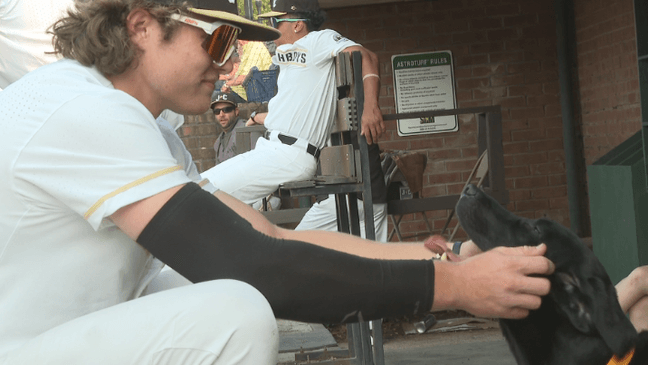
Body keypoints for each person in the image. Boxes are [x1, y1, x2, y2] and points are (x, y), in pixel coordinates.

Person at [0, 1, 556, 363]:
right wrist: (456, 291)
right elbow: (256, 266)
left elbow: (274, 240)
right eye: (216, 43)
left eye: (235, 50)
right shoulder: (81, 106)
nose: (227, 66)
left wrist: (444, 258)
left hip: (59, 338)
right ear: (142, 26)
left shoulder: (149, 129)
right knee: (233, 314)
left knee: (208, 284)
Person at [200, 0, 387, 205]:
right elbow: (293, 110)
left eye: (276, 21)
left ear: (297, 25)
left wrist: (371, 107)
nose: (273, 27)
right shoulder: (289, 59)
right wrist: (256, 117)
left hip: (289, 154)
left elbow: (367, 56)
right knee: (197, 186)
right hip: (273, 148)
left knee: (198, 194)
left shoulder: (317, 40)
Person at [211, 90, 247, 165]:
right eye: (217, 111)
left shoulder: (246, 130)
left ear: (236, 111)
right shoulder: (218, 144)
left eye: (226, 110)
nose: (221, 115)